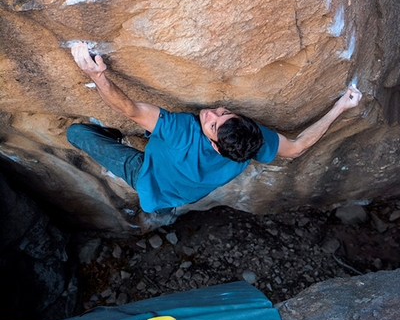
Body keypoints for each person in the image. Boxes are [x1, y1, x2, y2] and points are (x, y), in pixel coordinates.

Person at [67, 42, 362, 213]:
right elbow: (297, 148)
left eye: (211, 125)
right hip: (178, 195)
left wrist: (97, 75)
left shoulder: (182, 131)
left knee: (76, 134)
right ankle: (148, 137)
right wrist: (340, 107)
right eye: (223, 113)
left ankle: (118, 136)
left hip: (147, 177)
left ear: (215, 144)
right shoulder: (249, 146)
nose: (210, 113)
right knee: (154, 133)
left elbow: (129, 109)